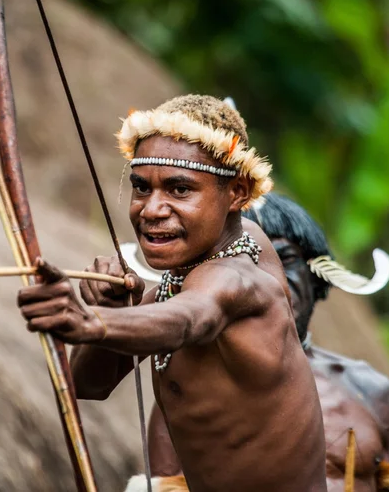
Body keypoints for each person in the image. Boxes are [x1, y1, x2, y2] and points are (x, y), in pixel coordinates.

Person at [17, 95, 327, 491]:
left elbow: (190, 318)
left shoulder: (239, 275)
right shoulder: (185, 274)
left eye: (180, 190)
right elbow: (87, 385)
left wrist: (89, 320)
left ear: (236, 193)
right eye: (141, 188)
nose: (151, 210)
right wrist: (114, 309)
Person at [141, 193, 389, 492]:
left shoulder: (369, 389)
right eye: (252, 264)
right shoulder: (183, 391)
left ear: (317, 279)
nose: (271, 281)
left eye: (286, 260)